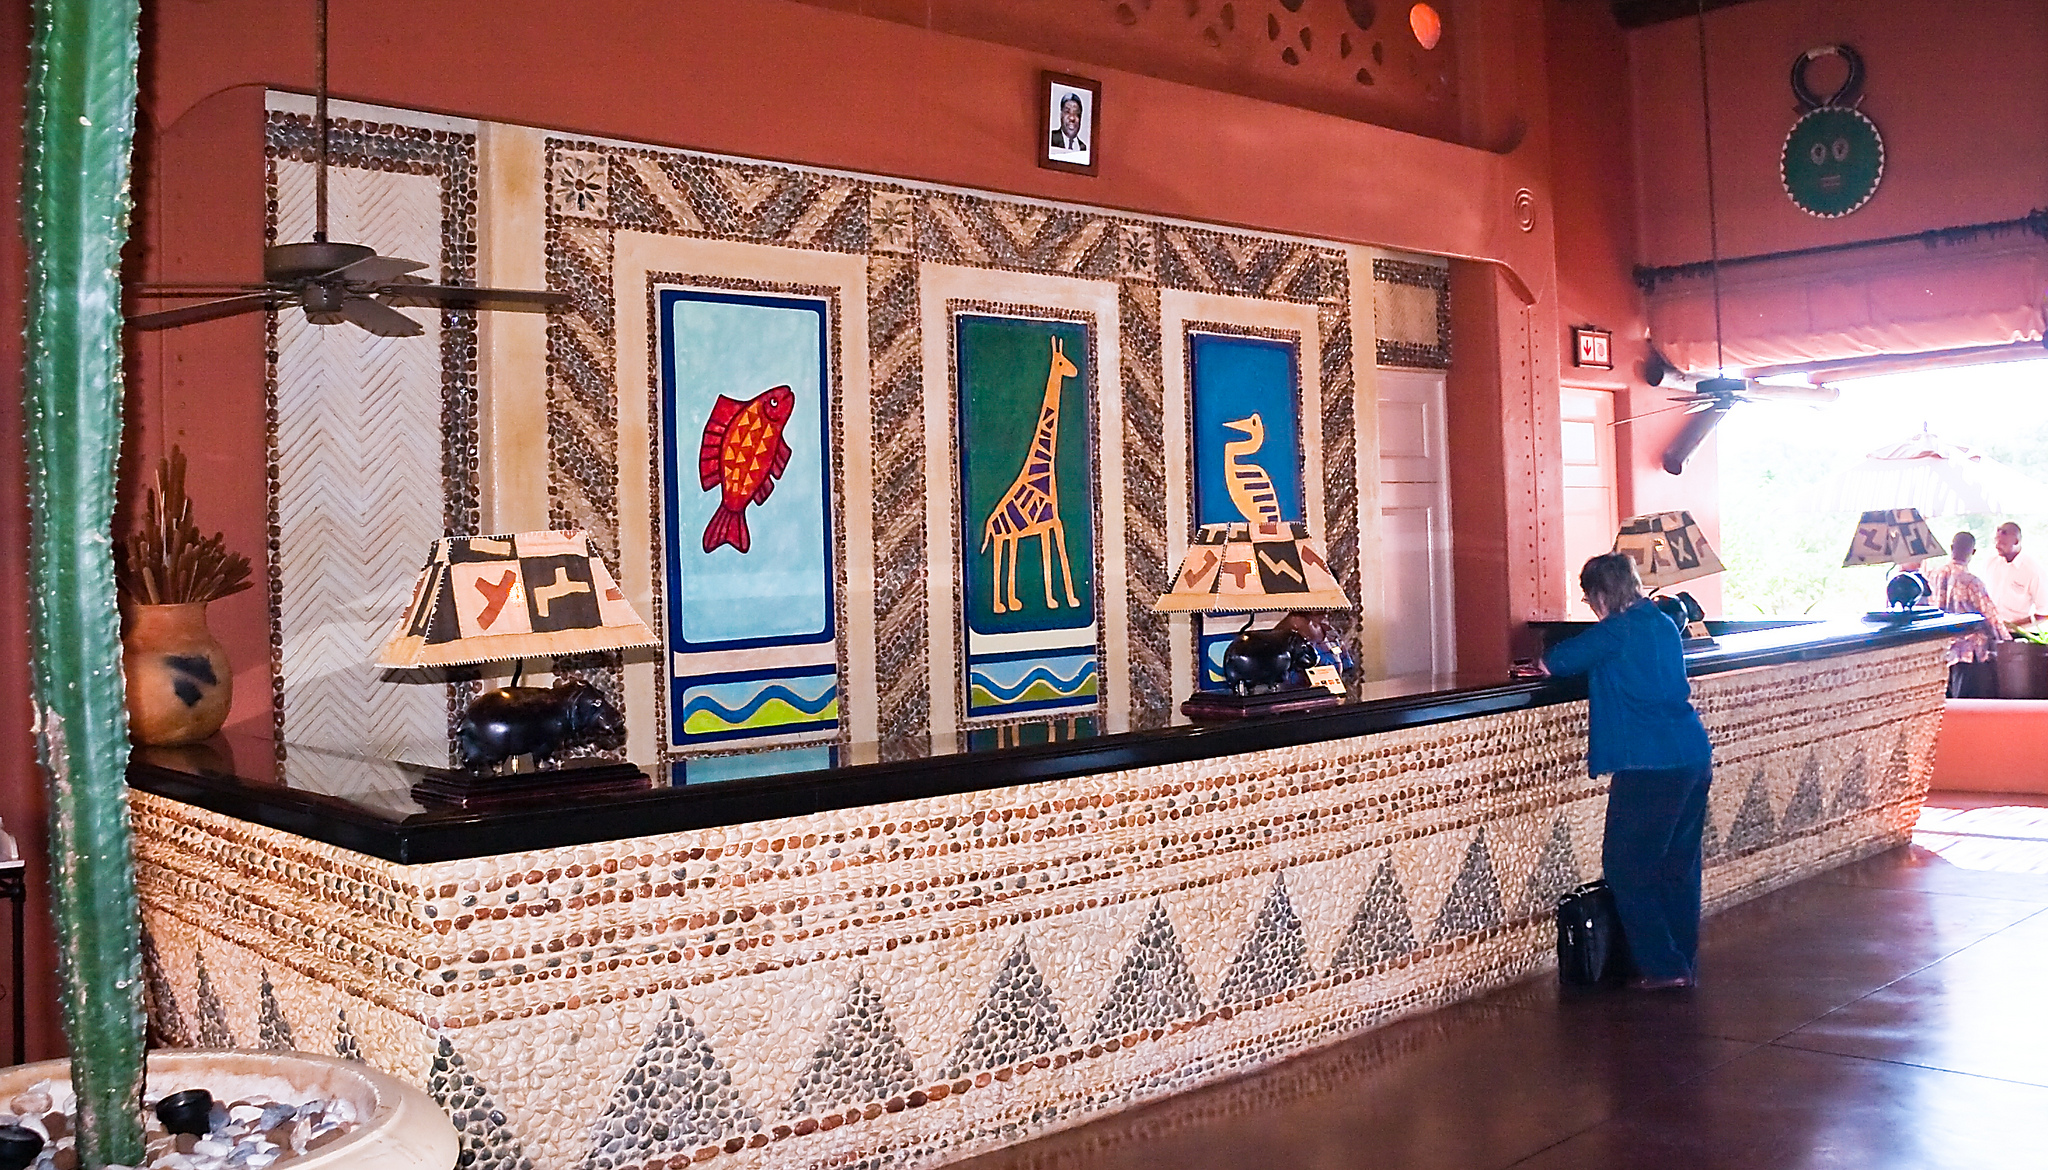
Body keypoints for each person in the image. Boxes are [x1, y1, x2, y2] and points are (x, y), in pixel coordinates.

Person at [1537, 553, 1713, 991]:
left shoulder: (1616, 630)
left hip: (1648, 764)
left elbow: (1554, 662)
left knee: (1627, 867)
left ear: (1600, 594)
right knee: (1677, 867)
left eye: (1588, 598)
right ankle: (1680, 960)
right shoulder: (1662, 623)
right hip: (1691, 753)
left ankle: (1663, 967)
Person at [1925, 531, 2008, 697]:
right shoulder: (1972, 582)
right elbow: (1990, 616)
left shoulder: (1932, 576)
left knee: (1946, 702)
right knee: (1968, 701)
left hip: (1941, 649)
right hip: (1968, 652)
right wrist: (2006, 639)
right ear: (1973, 552)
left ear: (1951, 548)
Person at [1981, 522, 2048, 633]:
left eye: (2002, 543)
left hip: (2016, 634)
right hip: (1990, 630)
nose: (1997, 546)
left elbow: (2044, 613)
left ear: (2016, 542)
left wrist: (2012, 626)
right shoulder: (1991, 563)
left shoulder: (2033, 570)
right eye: (1996, 541)